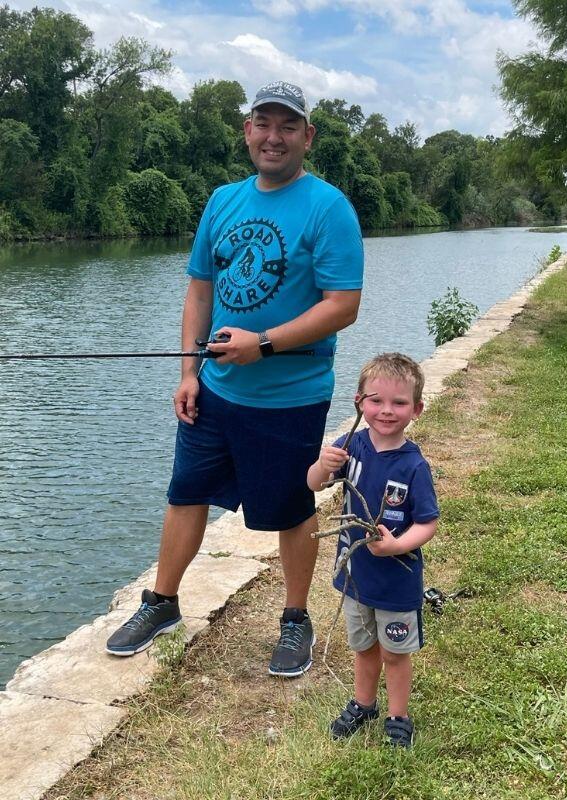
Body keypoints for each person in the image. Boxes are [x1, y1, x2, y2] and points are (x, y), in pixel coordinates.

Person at [106, 81, 364, 677]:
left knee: (292, 507)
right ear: (247, 130)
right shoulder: (222, 200)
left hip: (289, 398)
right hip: (216, 390)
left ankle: (294, 618)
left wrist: (264, 343)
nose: (274, 136)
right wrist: (189, 372)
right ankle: (162, 602)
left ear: (307, 137)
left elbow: (343, 304)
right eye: (263, 123)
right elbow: (200, 287)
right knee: (186, 493)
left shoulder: (329, 208)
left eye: (288, 126)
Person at [307, 353, 439, 746]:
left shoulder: (414, 466)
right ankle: (364, 703)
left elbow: (427, 522)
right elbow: (314, 484)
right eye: (376, 400)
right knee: (363, 647)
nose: (386, 411)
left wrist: (398, 545)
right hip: (355, 577)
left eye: (399, 403)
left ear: (416, 409)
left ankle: (398, 716)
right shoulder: (349, 447)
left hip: (397, 582)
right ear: (359, 402)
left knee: (395, 654)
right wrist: (322, 464)